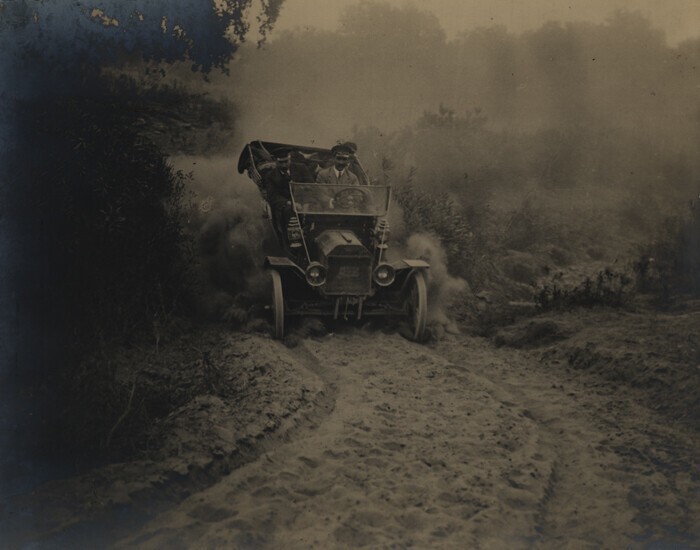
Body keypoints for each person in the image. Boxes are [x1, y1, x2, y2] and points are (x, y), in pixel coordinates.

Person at [261, 150, 314, 245]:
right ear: (275, 161)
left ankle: (313, 237)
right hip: (286, 205)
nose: (284, 165)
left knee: (316, 208)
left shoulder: (301, 168)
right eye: (281, 162)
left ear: (290, 159)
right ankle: (295, 240)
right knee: (289, 211)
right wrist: (290, 203)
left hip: (304, 201)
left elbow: (310, 186)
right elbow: (273, 196)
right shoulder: (271, 176)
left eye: (286, 161)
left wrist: (305, 202)